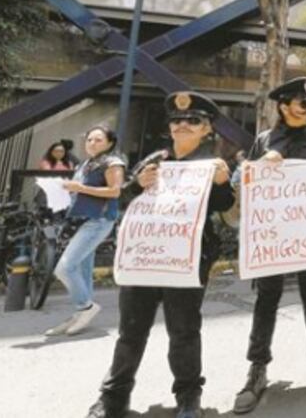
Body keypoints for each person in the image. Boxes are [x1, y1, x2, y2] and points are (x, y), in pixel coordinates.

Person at [86, 92, 234, 418]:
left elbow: (225, 206)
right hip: (144, 260)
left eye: (193, 121)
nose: (182, 125)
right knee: (131, 331)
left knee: (183, 332)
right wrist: (137, 184)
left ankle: (188, 399)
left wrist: (223, 183)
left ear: (207, 129)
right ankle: (113, 397)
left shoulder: (212, 165)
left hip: (186, 262)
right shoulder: (154, 160)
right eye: (177, 120)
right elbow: (122, 199)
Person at [234, 77, 306, 414]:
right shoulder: (264, 139)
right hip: (273, 238)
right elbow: (248, 183)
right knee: (266, 300)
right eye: (303, 103)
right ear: (283, 107)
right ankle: (257, 369)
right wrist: (254, 168)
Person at [45, 125, 125, 337]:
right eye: (90, 139)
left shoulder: (112, 162)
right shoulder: (86, 164)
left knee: (64, 268)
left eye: (98, 140)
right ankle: (81, 312)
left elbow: (115, 191)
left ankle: (86, 308)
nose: (92, 143)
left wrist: (80, 188)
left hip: (98, 220)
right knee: (81, 270)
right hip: (82, 220)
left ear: (109, 143)